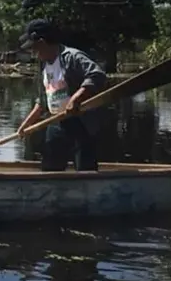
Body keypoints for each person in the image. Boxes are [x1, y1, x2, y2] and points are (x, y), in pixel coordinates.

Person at [16, 19, 106, 172]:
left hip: (80, 122)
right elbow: (43, 101)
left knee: (85, 168)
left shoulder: (72, 57)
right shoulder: (44, 66)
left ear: (42, 42)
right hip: (56, 122)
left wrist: (76, 98)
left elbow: (97, 75)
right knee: (51, 168)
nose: (33, 53)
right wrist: (26, 125)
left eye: (34, 49)